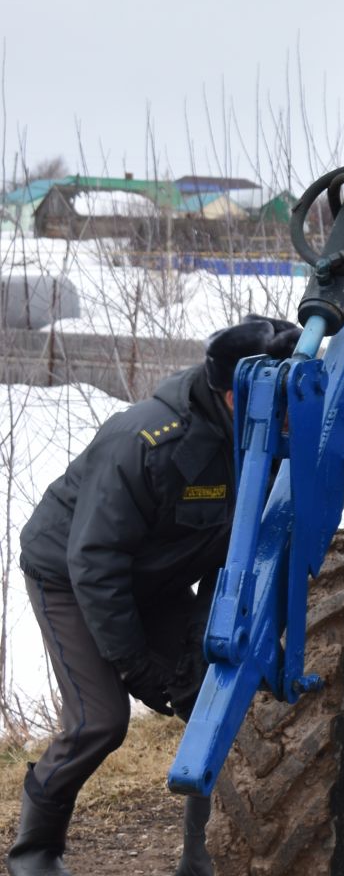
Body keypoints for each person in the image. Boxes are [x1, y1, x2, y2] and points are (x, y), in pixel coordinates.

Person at [9, 315, 301, 876]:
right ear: (234, 396)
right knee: (100, 721)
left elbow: (235, 548)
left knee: (214, 699)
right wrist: (137, 666)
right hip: (70, 577)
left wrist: (202, 638)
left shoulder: (266, 440)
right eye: (278, 399)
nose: (290, 415)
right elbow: (94, 561)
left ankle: (202, 859)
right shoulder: (148, 442)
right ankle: (35, 850)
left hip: (156, 578)